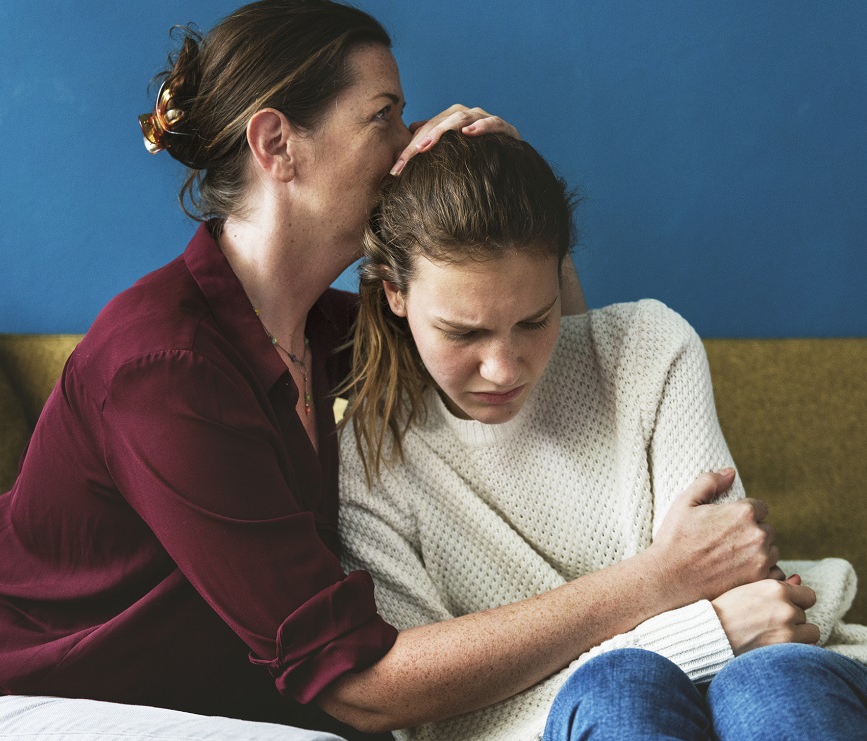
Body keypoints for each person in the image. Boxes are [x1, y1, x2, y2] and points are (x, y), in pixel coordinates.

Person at [0, 2, 786, 740]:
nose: (412, 137)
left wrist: (507, 199)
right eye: (384, 115)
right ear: (278, 145)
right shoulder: (161, 366)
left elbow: (573, 386)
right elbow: (358, 688)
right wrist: (660, 585)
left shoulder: (337, 333)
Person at [337, 131, 867, 740]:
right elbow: (437, 713)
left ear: (561, 271)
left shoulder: (646, 350)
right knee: (618, 691)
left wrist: (717, 621)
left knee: (769, 682)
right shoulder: (369, 460)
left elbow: (744, 601)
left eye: (534, 321)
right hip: (551, 726)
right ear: (396, 295)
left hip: (773, 673)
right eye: (462, 334)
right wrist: (703, 629)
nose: (504, 369)